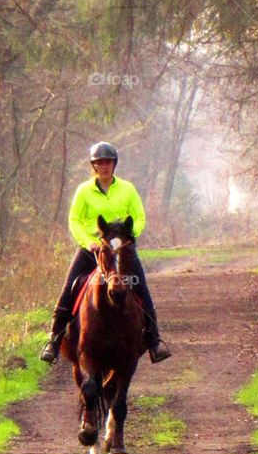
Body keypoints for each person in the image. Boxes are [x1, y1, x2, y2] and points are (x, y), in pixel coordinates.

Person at [39, 141, 172, 364]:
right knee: (69, 287)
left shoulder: (127, 189)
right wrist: (88, 242)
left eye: (108, 162)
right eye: (100, 163)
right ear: (94, 166)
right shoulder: (84, 191)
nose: (105, 166)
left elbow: (139, 216)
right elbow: (75, 221)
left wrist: (130, 237)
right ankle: (54, 339)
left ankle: (154, 340)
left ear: (114, 164)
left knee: (140, 286)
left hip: (121, 250)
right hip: (92, 249)